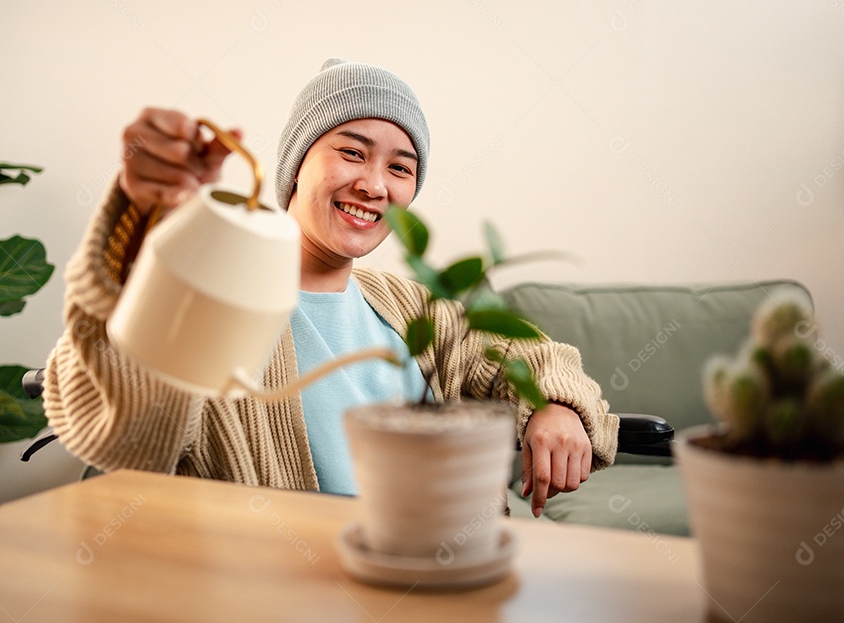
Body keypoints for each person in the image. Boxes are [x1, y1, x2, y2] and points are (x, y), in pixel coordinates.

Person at [44, 58, 618, 518]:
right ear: (296, 167)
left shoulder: (409, 305)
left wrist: (555, 405)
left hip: (441, 579)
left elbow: (526, 354)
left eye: (400, 167)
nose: (373, 184)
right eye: (351, 152)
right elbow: (125, 433)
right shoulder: (215, 297)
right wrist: (141, 220)